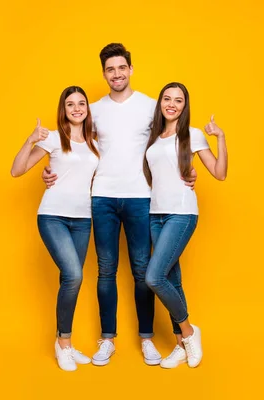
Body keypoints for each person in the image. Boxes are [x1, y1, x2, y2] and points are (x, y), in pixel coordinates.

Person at [42, 44, 197, 366]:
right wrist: (51, 168)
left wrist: (186, 169)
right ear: (104, 74)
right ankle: (107, 339)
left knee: (143, 271)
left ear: (130, 69)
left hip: (142, 197)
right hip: (101, 197)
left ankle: (147, 339)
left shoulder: (151, 107)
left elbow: (169, 140)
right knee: (106, 269)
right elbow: (76, 143)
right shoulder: (93, 109)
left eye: (121, 68)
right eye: (110, 69)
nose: (116, 74)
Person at [11, 86, 99, 371]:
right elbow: (17, 170)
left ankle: (67, 344)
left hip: (84, 219)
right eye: (70, 104)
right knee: (74, 275)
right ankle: (63, 343)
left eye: (81, 103)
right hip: (53, 216)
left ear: (87, 107)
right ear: (64, 109)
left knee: (69, 280)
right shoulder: (52, 138)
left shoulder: (95, 141)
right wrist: (30, 140)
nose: (76, 108)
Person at [143, 82, 228, 368]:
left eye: (178, 100)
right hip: (155, 213)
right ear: (160, 103)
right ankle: (181, 345)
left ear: (184, 106)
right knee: (172, 279)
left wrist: (220, 138)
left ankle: (190, 332)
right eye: (167, 99)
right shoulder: (153, 137)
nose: (172, 104)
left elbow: (219, 172)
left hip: (181, 212)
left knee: (154, 277)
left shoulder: (192, 136)